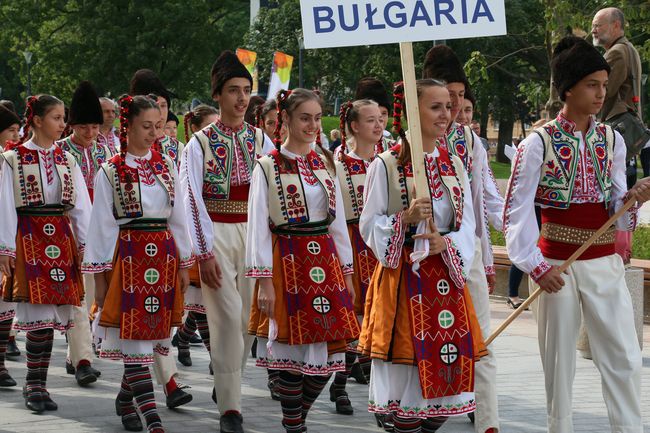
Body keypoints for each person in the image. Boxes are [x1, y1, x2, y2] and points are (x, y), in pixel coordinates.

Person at [504, 36, 649, 433]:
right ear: (568, 88)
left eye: (604, 85)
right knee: (559, 362)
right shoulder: (538, 142)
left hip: (603, 262)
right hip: (556, 267)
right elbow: (516, 212)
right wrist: (535, 267)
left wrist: (632, 198)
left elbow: (617, 205)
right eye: (593, 85)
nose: (602, 93)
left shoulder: (613, 139)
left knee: (622, 355)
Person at [358, 79, 485, 433]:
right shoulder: (386, 165)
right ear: (413, 111)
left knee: (444, 392)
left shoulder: (455, 163)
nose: (446, 114)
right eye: (436, 107)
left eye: (448, 106)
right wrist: (406, 220)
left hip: (446, 282)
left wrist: (449, 243)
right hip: (406, 283)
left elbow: (469, 223)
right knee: (409, 389)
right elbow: (369, 225)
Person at [246, 88, 359, 433]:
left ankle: (297, 419)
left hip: (325, 263)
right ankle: (294, 425)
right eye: (304, 117)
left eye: (316, 117)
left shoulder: (324, 163)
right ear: (287, 120)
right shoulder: (267, 166)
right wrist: (265, 281)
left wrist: (349, 273)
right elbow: (258, 228)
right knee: (294, 355)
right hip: (287, 261)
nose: (312, 124)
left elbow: (337, 222)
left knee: (329, 355)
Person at [82, 94, 193, 433]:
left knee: (150, 338)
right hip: (128, 258)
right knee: (134, 341)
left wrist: (185, 263)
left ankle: (125, 399)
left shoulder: (165, 165)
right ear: (126, 126)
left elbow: (178, 217)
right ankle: (154, 420)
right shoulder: (110, 171)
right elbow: (101, 224)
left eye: (157, 127)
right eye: (146, 126)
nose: (154, 134)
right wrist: (101, 278)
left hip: (162, 257)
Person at [180, 50, 271, 433]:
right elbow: (190, 199)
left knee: (249, 322)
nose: (241, 98)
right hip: (215, 232)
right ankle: (230, 409)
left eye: (246, 90)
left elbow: (272, 194)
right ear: (217, 95)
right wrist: (202, 252)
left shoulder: (263, 140)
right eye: (233, 90)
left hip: (252, 235)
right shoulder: (198, 144)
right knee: (226, 319)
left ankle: (226, 381)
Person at [423, 44, 502, 433]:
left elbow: (486, 200)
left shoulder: (471, 143)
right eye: (443, 98)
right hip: (421, 258)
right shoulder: (399, 147)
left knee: (482, 341)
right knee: (425, 342)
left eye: (458, 96)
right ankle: (417, 414)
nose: (452, 106)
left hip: (466, 254)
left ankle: (488, 422)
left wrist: (530, 226)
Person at [0, 94, 91, 412]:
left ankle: (39, 385)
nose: (63, 124)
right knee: (37, 318)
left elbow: (81, 207)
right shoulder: (13, 159)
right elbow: (5, 205)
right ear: (37, 120)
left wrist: (85, 247)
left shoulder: (68, 159)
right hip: (28, 238)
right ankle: (33, 384)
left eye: (63, 117)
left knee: (52, 318)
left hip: (61, 241)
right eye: (56, 117)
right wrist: (5, 248)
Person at [329, 99, 389, 416]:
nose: (378, 125)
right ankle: (339, 385)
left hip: (381, 247)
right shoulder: (339, 166)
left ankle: (378, 391)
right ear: (354, 126)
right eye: (370, 120)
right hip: (352, 245)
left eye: (380, 119)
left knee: (380, 316)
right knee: (353, 318)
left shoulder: (389, 163)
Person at [56, 81, 110, 386]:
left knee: (95, 296)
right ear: (71, 125)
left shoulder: (107, 149)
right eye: (84, 127)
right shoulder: (61, 152)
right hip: (71, 231)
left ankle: (74, 355)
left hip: (102, 229)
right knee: (78, 296)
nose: (90, 133)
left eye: (95, 126)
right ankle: (83, 360)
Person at [174, 103, 219, 370]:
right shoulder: (191, 152)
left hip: (221, 231)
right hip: (195, 230)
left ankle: (184, 335)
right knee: (200, 298)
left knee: (204, 300)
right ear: (194, 128)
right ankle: (216, 357)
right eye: (207, 127)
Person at [0, 103, 21, 388]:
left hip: (7, 234)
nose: (15, 136)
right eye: (10, 130)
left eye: (18, 130)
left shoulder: (9, 161)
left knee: (5, 301)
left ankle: (1, 361)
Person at [130, 69, 183, 167]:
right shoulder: (124, 149)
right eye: (154, 106)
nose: (159, 113)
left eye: (163, 106)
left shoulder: (178, 148)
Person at [354, 77, 393, 150]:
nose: (380, 121)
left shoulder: (395, 148)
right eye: (372, 117)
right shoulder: (345, 151)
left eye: (384, 113)